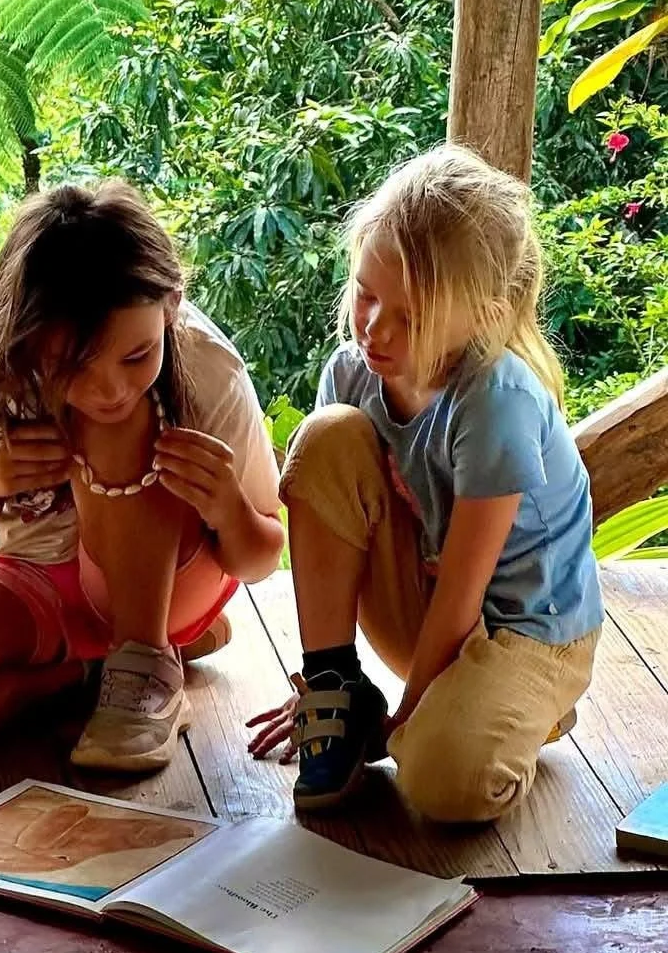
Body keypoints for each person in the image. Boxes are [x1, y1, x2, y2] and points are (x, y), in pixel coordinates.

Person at [0, 180, 283, 773]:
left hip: (169, 583)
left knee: (124, 421)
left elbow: (262, 558)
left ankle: (144, 660)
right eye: (71, 365)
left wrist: (228, 508)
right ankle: (84, 673)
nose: (109, 388)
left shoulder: (207, 364)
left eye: (137, 356)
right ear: (22, 330)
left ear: (171, 305)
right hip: (27, 577)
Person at [247, 145, 603, 824]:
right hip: (426, 599)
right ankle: (337, 685)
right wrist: (331, 698)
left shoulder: (495, 401)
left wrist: (405, 726)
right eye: (366, 294)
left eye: (410, 317)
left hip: (527, 632)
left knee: (438, 783)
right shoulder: (352, 373)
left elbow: (466, 597)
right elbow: (336, 518)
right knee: (324, 436)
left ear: (483, 316)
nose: (374, 329)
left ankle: (529, 711)